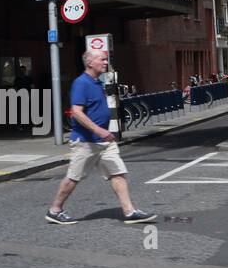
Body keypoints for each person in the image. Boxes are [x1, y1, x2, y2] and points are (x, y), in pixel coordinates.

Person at [46, 50, 156, 225]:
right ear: (90, 62)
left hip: (104, 142)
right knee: (74, 177)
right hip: (85, 142)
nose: (106, 62)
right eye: (102, 60)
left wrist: (104, 133)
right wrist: (99, 130)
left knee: (118, 173)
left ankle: (129, 212)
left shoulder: (97, 82)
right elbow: (76, 112)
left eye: (106, 59)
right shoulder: (81, 83)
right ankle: (55, 210)